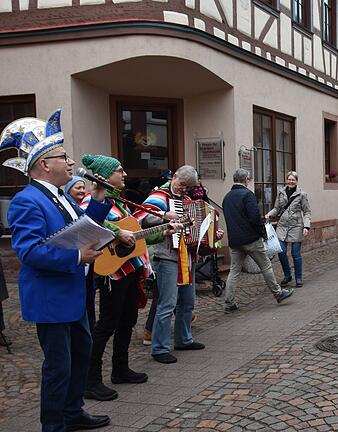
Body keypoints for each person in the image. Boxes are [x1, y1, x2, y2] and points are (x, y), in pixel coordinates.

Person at [3, 110, 113, 432]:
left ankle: (72, 412)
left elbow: (80, 229)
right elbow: (29, 251)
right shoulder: (28, 201)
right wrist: (78, 257)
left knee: (79, 358)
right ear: (44, 164)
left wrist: (98, 199)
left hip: (73, 293)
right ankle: (53, 425)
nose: (70, 162)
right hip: (51, 298)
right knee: (58, 367)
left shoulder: (60, 196)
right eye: (63, 156)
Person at [79, 155, 162, 401]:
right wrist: (117, 231)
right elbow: (89, 221)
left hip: (128, 268)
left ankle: (120, 368)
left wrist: (164, 231)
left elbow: (135, 236)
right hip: (111, 272)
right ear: (105, 176)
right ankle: (91, 379)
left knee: (128, 319)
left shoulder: (121, 202)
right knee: (107, 324)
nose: (124, 174)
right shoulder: (92, 199)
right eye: (119, 170)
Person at [135, 165, 205, 364]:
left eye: (188, 187)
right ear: (174, 177)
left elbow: (193, 227)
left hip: (186, 257)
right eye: (183, 185)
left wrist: (204, 239)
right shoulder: (160, 195)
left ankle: (184, 339)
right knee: (167, 303)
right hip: (166, 257)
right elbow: (141, 217)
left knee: (187, 302)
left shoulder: (186, 201)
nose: (185, 190)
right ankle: (159, 348)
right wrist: (164, 216)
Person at [222, 169, 294, 312]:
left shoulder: (227, 197)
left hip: (235, 241)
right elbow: (255, 219)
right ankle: (278, 293)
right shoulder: (248, 195)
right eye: (249, 179)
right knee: (266, 266)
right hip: (251, 239)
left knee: (234, 271)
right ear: (246, 180)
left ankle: (229, 303)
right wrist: (263, 234)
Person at [266, 171, 311, 288]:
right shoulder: (281, 193)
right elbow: (277, 208)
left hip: (296, 226)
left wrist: (306, 226)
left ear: (296, 181)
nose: (291, 181)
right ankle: (287, 275)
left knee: (295, 253)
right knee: (281, 251)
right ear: (286, 180)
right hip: (282, 226)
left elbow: (307, 212)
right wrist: (269, 214)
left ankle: (299, 277)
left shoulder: (302, 194)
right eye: (289, 179)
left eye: (293, 180)